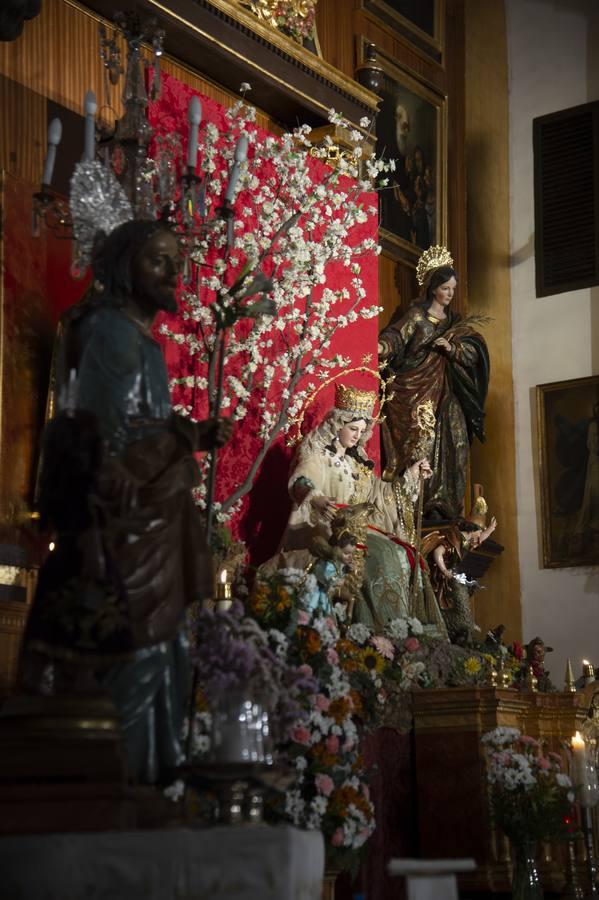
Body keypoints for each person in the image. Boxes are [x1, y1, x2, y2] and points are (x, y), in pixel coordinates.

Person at [20, 219, 233, 784]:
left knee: (163, 660)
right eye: (157, 260)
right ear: (122, 266)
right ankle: (131, 798)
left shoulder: (136, 337)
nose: (173, 273)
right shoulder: (112, 333)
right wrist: (183, 440)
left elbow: (138, 431)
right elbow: (109, 452)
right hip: (126, 534)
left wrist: (190, 435)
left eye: (176, 261)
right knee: (138, 668)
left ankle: (149, 795)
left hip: (150, 531)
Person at [280, 383, 447, 635]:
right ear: (338, 425)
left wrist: (411, 476)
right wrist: (316, 498)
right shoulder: (318, 457)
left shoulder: (355, 466)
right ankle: (376, 630)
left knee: (407, 554)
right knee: (382, 555)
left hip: (360, 527)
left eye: (361, 430)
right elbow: (301, 481)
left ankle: (406, 628)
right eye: (353, 428)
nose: (358, 435)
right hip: (328, 527)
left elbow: (382, 496)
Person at [378, 246, 490, 521]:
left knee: (456, 442)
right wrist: (382, 347)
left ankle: (446, 504)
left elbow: (473, 352)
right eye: (445, 288)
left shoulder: (455, 323)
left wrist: (451, 349)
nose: (450, 293)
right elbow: (396, 336)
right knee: (422, 442)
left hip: (448, 392)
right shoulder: (416, 317)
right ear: (432, 288)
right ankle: (419, 503)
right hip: (417, 389)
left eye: (453, 288)